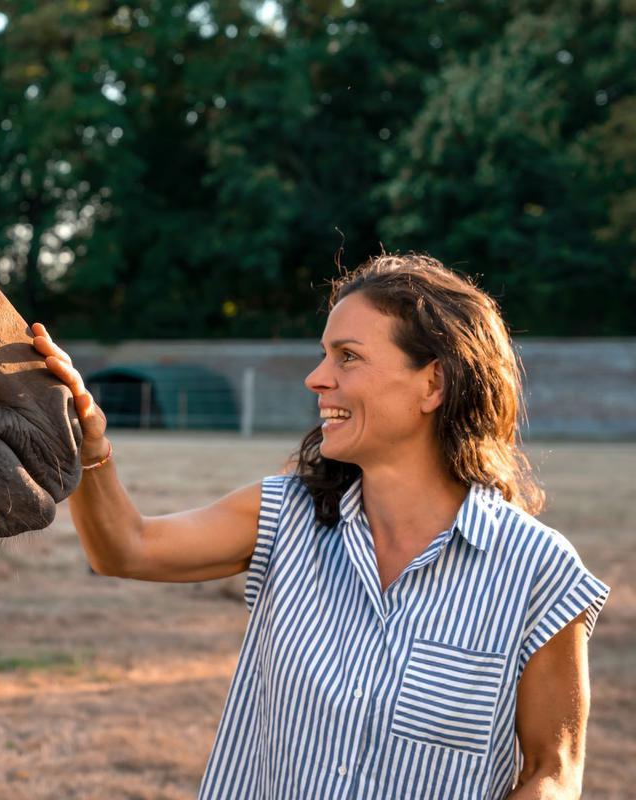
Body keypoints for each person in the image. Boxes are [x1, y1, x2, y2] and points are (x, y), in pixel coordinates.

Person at [31, 253, 609, 799]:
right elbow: (125, 549)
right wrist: (88, 446)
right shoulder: (282, 514)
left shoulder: (539, 570)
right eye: (323, 354)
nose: (316, 378)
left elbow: (551, 772)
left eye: (347, 357)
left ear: (433, 384)